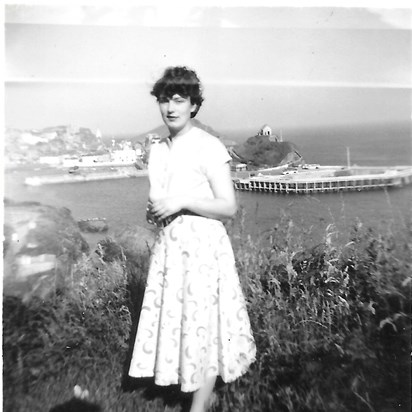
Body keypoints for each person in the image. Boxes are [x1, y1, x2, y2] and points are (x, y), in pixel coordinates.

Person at [128, 66, 256, 412]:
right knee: (183, 322)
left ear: (193, 106)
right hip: (171, 247)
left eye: (179, 100)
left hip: (203, 247)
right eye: (164, 100)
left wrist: (181, 201)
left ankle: (199, 405)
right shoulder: (158, 150)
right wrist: (156, 212)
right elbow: (161, 201)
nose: (170, 108)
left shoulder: (208, 146)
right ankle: (195, 389)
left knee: (206, 325)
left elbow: (228, 206)